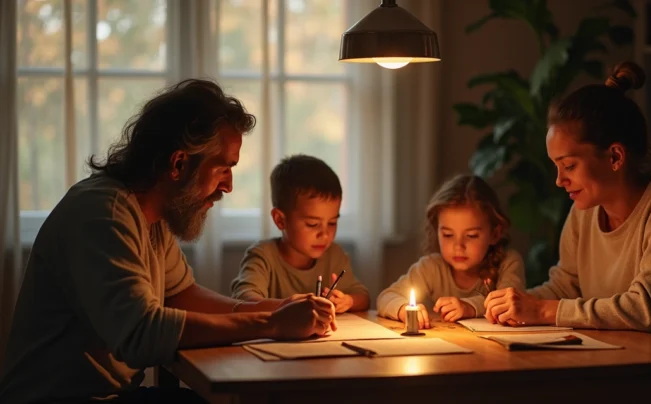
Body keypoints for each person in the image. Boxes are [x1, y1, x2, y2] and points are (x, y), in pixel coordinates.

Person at [0, 79, 336, 404]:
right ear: (178, 163)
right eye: (223, 169)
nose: (229, 186)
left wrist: (278, 306)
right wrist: (272, 324)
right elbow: (141, 333)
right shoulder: (104, 213)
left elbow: (181, 296)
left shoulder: (150, 214)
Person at [483, 62, 651, 403]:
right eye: (556, 167)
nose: (559, 181)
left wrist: (543, 311)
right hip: (620, 371)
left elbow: (648, 310)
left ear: (616, 156)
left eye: (569, 166)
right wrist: (487, 306)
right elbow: (564, 286)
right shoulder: (585, 210)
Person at [377, 174, 525, 329]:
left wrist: (470, 307)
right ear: (437, 231)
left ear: (494, 234)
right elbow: (386, 297)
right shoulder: (431, 267)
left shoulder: (508, 262)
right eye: (448, 235)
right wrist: (402, 309)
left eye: (471, 236)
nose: (458, 246)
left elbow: (510, 304)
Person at [231, 154, 370, 314]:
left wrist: (348, 301)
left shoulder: (334, 255)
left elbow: (363, 297)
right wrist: (289, 305)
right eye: (312, 224)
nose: (324, 234)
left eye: (332, 222)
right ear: (280, 220)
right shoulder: (263, 257)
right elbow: (244, 299)